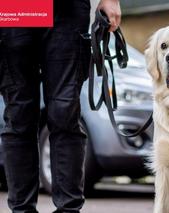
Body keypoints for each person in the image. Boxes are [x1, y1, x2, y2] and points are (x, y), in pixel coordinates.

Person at [0, 0, 121, 212]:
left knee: (65, 113)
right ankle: (21, 209)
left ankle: (68, 209)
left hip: (66, 11)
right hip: (15, 6)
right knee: (19, 115)